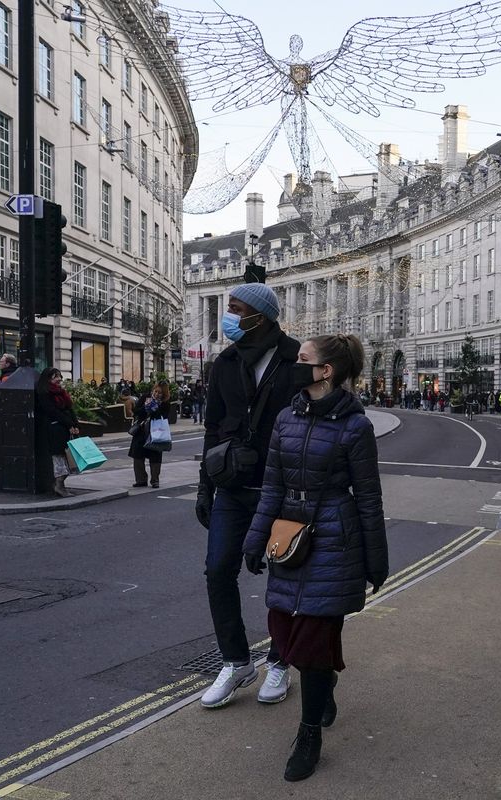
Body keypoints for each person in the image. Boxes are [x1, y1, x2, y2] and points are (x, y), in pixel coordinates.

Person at [243, 333, 389, 783]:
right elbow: (272, 486)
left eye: (303, 359)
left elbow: (368, 497)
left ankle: (309, 735)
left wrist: (375, 559)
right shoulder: (286, 418)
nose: (295, 363)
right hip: (290, 534)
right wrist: (254, 538)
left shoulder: (355, 427)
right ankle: (323, 684)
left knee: (314, 634)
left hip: (334, 536)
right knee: (285, 631)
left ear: (325, 371)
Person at [196, 283, 306, 709]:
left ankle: (280, 660)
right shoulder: (224, 362)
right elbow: (212, 427)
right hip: (232, 487)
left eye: (237, 309)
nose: (230, 317)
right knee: (218, 569)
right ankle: (236, 661)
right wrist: (205, 487)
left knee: (285, 576)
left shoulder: (295, 357)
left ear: (260, 315)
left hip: (281, 490)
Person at [35, 368, 80, 497]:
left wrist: (75, 424)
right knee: (59, 458)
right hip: (54, 429)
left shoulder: (61, 392)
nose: (59, 379)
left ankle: (59, 485)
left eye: (59, 376)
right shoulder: (44, 393)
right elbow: (52, 411)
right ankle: (59, 485)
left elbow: (70, 409)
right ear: (48, 379)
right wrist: (70, 424)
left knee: (69, 460)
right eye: (55, 377)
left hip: (65, 428)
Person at [129, 382, 170, 488]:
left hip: (156, 431)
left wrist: (156, 409)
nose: (156, 394)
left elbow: (165, 416)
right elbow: (136, 411)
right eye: (155, 391)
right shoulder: (145, 397)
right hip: (141, 430)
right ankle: (141, 479)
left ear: (163, 394)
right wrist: (146, 407)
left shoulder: (165, 403)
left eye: (159, 393)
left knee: (155, 456)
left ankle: (155, 480)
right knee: (137, 455)